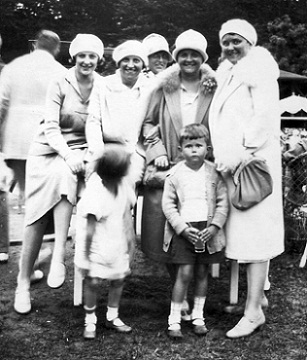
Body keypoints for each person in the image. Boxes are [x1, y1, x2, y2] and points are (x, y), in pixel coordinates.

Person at [14, 33, 104, 314]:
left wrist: (90, 156)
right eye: (82, 56)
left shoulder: (101, 85)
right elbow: (51, 127)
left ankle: (58, 259)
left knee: (69, 175)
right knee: (36, 215)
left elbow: (98, 125)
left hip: (80, 151)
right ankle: (22, 284)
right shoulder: (59, 82)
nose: (87, 61)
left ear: (99, 59)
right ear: (73, 57)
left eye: (92, 56)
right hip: (47, 149)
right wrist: (68, 155)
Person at [208, 19, 284, 338]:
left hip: (252, 166)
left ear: (250, 43)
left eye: (236, 41)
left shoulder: (260, 70)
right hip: (233, 167)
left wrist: (241, 152)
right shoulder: (227, 72)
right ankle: (257, 298)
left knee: (255, 237)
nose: (230, 47)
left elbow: (264, 117)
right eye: (225, 41)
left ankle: (253, 312)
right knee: (244, 234)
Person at [141, 29, 216, 318]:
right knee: (164, 229)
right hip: (168, 165)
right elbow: (148, 124)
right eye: (183, 54)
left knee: (197, 226)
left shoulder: (213, 87)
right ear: (176, 57)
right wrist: (156, 151)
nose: (188, 59)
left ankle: (192, 291)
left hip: (201, 166)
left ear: (202, 58)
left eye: (194, 54)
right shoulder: (164, 86)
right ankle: (178, 287)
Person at [162, 124, 228, 339]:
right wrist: (182, 229)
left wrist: (214, 227)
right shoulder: (174, 174)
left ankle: (198, 317)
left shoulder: (214, 173)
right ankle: (174, 320)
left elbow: (222, 203)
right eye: (188, 145)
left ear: (207, 149)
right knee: (185, 273)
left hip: (207, 231)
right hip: (185, 231)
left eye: (198, 145)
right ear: (180, 149)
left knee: (202, 273)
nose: (193, 150)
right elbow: (168, 205)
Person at [0, 30, 66, 213]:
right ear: (57, 49)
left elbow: (1, 102)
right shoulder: (61, 72)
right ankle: (40, 229)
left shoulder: (13, 67)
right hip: (45, 138)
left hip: (16, 139)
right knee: (42, 189)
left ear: (35, 45)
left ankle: (28, 227)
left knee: (25, 189)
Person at [75, 143, 135, 339]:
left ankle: (112, 316)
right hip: (96, 248)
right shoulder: (96, 192)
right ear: (114, 173)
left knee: (118, 279)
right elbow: (89, 230)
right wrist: (85, 258)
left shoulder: (123, 187)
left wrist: (130, 244)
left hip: (116, 245)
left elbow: (126, 217)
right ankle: (90, 320)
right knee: (92, 282)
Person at [86, 39, 153, 186]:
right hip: (105, 148)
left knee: (127, 182)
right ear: (118, 63)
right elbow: (93, 120)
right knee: (94, 183)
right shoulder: (103, 85)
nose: (130, 65)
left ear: (143, 64)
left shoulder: (150, 88)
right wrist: (98, 152)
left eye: (136, 60)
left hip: (134, 152)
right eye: (125, 60)